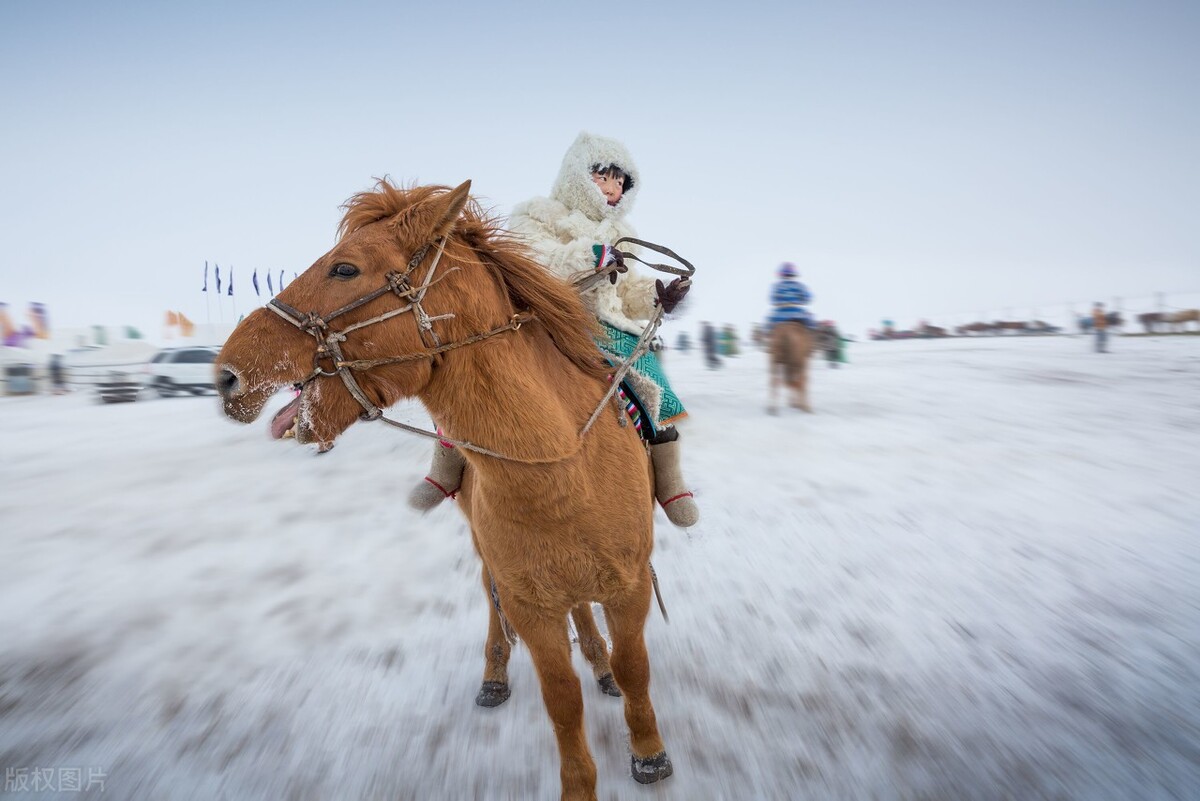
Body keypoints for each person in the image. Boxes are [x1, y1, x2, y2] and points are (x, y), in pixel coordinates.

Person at [408, 132, 699, 527]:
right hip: (544, 320)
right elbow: (535, 261)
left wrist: (656, 295)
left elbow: (625, 290)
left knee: (653, 385)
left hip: (604, 327)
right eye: (604, 176)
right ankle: (445, 468)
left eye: (621, 182)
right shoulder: (537, 215)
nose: (612, 188)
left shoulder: (620, 233)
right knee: (476, 375)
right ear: (577, 175)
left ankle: (669, 480)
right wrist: (590, 256)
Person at [764, 263, 815, 332]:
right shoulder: (800, 286)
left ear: (781, 274)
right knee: (812, 325)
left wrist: (780, 302)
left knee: (767, 326)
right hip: (798, 313)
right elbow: (808, 299)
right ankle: (813, 340)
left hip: (779, 314)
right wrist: (799, 301)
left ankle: (766, 340)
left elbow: (772, 300)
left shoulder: (776, 286)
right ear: (794, 274)